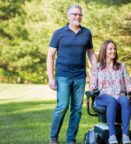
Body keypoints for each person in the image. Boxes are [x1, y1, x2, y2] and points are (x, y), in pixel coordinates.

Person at [47, 4, 96, 144]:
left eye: (79, 14)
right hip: (63, 75)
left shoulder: (87, 33)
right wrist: (51, 78)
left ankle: (71, 139)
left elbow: (91, 53)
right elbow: (50, 55)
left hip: (80, 76)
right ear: (68, 16)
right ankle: (53, 138)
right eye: (74, 14)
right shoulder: (59, 33)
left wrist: (96, 72)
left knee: (77, 109)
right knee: (62, 106)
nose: (77, 17)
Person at [89, 40, 131, 144]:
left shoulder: (121, 66)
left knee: (126, 100)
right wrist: (90, 90)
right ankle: (112, 136)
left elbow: (128, 83)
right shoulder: (97, 67)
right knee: (111, 101)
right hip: (103, 97)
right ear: (104, 50)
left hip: (118, 95)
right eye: (110, 49)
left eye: (114, 49)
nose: (113, 51)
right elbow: (92, 84)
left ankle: (125, 136)